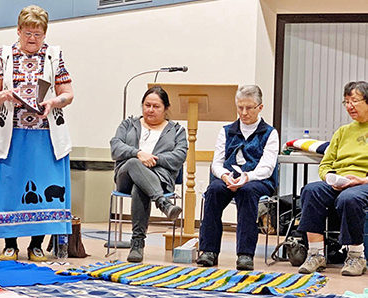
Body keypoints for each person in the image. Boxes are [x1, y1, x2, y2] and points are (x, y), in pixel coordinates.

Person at [0, 4, 74, 262]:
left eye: (38, 33)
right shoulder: (4, 55)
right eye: (27, 33)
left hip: (46, 135)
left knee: (46, 187)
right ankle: (10, 245)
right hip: (12, 135)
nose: (32, 38)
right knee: (11, 186)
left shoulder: (54, 56)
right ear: (18, 30)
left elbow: (68, 94)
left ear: (45, 34)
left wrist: (55, 102)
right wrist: (4, 95)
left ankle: (37, 245)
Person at [196, 85, 279, 271]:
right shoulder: (226, 131)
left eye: (249, 108)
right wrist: (225, 176)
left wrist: (247, 177)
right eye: (240, 107)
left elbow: (267, 167)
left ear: (260, 107)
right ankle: (208, 250)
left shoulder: (270, 133)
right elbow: (216, 163)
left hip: (257, 180)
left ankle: (245, 254)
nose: (244, 112)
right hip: (229, 177)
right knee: (214, 191)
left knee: (247, 192)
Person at [297, 81, 368, 276]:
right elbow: (326, 163)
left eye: (354, 101)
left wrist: (362, 180)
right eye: (346, 102)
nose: (349, 106)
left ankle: (356, 256)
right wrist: (330, 177)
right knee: (311, 190)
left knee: (350, 198)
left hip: (364, 182)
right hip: (340, 180)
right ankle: (316, 253)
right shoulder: (343, 132)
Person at [110, 86, 187, 263]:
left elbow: (179, 156)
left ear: (166, 108)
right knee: (134, 163)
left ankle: (137, 243)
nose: (150, 110)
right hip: (126, 176)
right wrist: (138, 154)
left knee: (141, 186)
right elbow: (115, 147)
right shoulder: (128, 124)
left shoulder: (177, 130)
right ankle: (163, 203)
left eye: (156, 106)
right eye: (147, 105)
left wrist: (154, 160)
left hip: (159, 177)